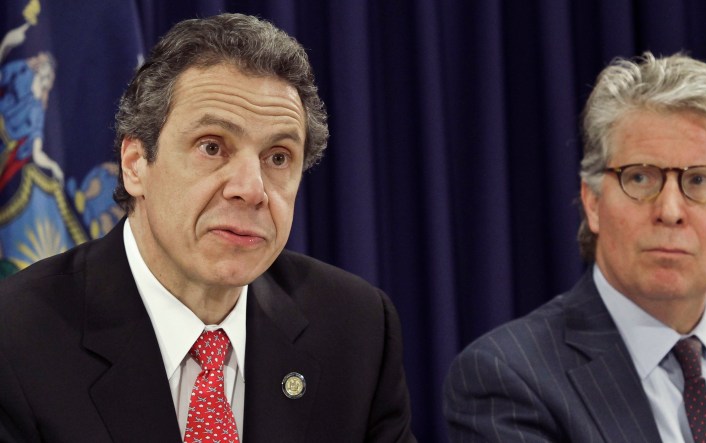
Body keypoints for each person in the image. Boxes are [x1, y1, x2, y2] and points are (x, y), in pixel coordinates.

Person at [0, 13, 415, 442]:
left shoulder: (356, 329)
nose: (252, 190)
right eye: (212, 147)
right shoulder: (16, 337)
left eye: (278, 157)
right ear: (135, 165)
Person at [444, 52, 706, 442]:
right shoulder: (507, 377)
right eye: (640, 178)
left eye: (700, 180)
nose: (669, 211)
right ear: (592, 202)